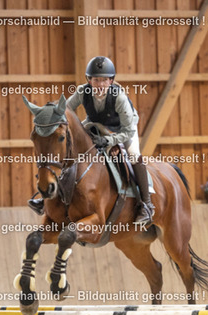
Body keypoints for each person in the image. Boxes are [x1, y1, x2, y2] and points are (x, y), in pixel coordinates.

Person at [28, 56, 154, 226]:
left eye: (104, 80)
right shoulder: (83, 91)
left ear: (111, 81)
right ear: (89, 80)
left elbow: (128, 130)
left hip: (122, 128)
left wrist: (109, 140)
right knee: (73, 150)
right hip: (96, 125)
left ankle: (146, 204)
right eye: (96, 80)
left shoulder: (119, 98)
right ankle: (47, 199)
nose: (100, 84)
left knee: (133, 155)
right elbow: (66, 110)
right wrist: (50, 113)